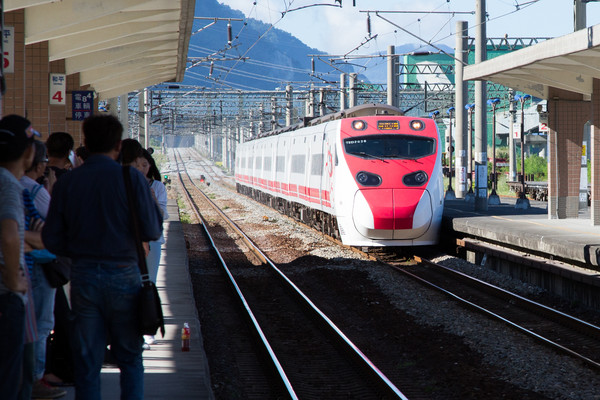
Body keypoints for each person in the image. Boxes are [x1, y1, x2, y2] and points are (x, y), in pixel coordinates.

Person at [42, 115, 163, 400]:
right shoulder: (131, 178)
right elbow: (152, 230)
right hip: (125, 275)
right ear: (118, 146)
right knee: (130, 358)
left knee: (88, 361)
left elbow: (52, 239)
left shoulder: (68, 182)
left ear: (84, 142)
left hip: (83, 278)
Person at [19, 141, 66, 399]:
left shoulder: (19, 187)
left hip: (26, 263)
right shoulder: (33, 190)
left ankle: (28, 377)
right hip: (38, 265)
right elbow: (55, 227)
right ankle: (35, 377)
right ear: (36, 163)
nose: (47, 165)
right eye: (45, 161)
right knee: (41, 323)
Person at [0, 114, 39, 400]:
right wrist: (14, 281)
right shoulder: (9, 185)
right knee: (8, 381)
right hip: (5, 298)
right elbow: (10, 235)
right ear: (29, 152)